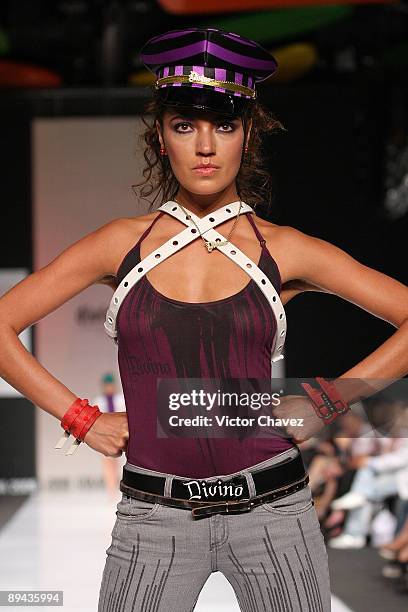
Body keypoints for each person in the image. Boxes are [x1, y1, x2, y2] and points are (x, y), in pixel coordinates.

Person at [1, 27, 408, 612]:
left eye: (224, 125)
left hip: (275, 514)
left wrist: (326, 402)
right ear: (162, 139)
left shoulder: (285, 250)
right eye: (185, 125)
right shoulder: (120, 245)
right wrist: (81, 417)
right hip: (153, 519)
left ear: (248, 135)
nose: (205, 145)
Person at [91, 373, 126, 499]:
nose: (109, 387)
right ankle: (110, 490)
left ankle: (116, 489)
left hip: (118, 435)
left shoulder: (120, 399)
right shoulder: (99, 401)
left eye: (111, 385)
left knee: (117, 463)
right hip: (104, 436)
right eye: (107, 385)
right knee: (107, 463)